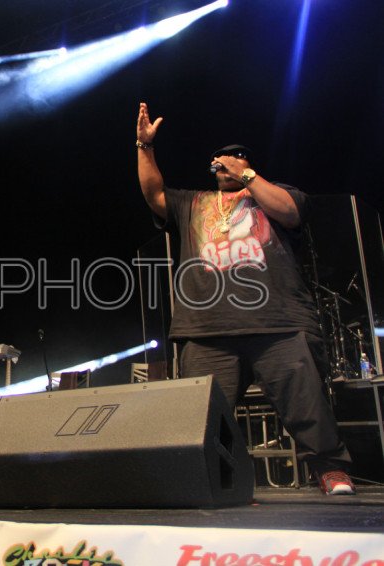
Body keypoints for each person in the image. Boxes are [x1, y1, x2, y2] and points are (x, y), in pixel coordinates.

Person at [135, 102, 355, 495]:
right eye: (218, 160)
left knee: (306, 403)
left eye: (232, 158)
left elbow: (290, 213)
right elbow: (153, 193)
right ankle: (217, 482)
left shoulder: (276, 193)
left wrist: (247, 175)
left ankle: (330, 469)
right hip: (208, 329)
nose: (222, 163)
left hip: (278, 323)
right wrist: (145, 146)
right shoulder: (193, 202)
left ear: (246, 163)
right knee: (202, 416)